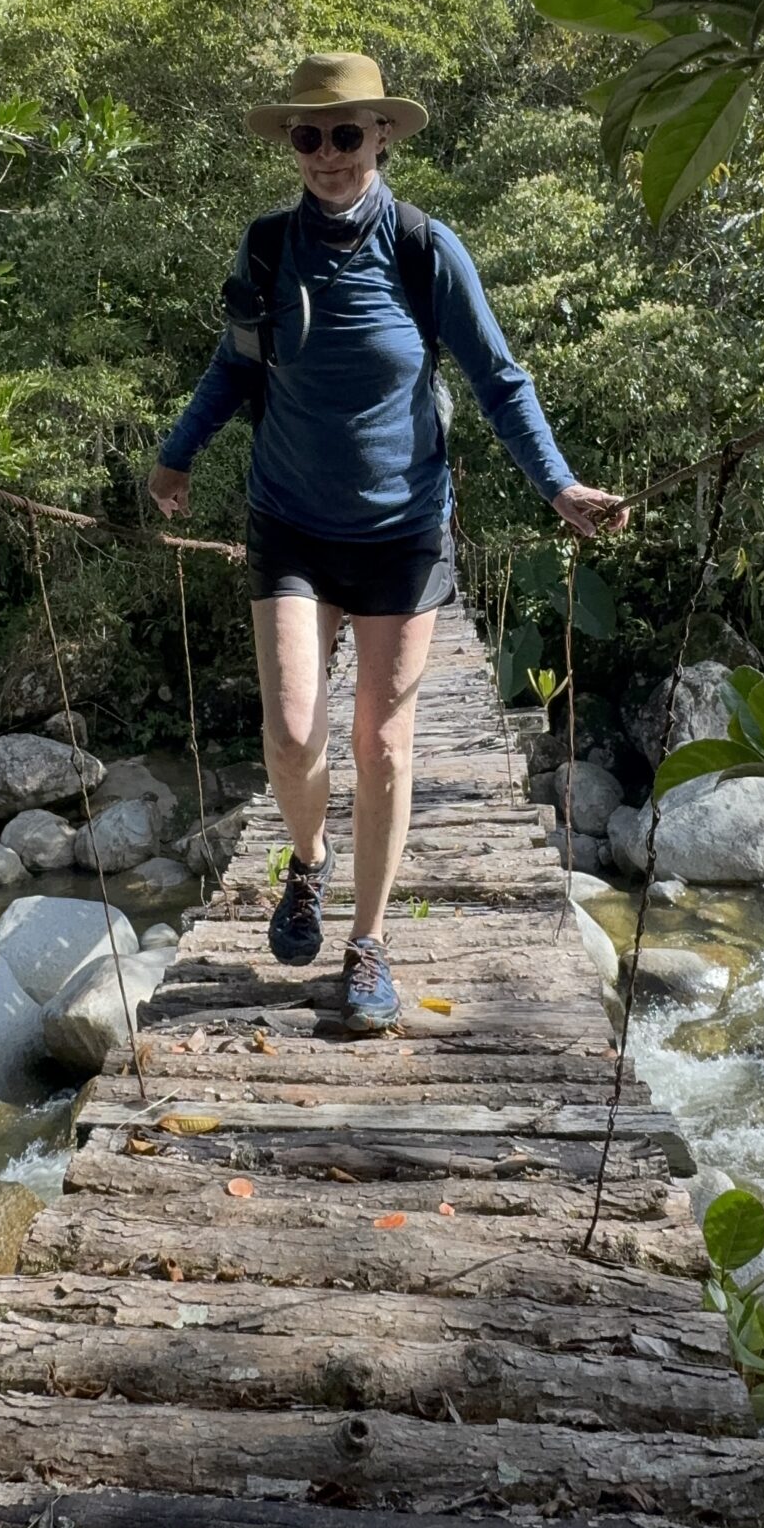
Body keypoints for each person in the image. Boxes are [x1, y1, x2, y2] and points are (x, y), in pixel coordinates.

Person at [148, 51, 628, 1036]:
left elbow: (499, 381)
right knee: (292, 729)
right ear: (293, 144)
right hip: (288, 518)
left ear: (381, 137)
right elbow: (234, 371)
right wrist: (177, 454)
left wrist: (559, 484)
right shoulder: (268, 248)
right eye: (309, 136)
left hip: (403, 530)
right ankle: (310, 863)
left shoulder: (424, 248)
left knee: (382, 743)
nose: (327, 154)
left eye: (346, 134)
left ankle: (366, 940)